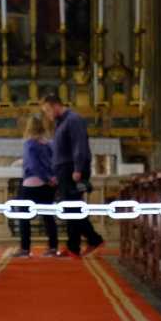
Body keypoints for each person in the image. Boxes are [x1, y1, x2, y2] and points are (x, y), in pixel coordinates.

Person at [41, 94, 104, 257]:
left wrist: (77, 168)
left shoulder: (73, 120)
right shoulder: (60, 122)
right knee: (70, 208)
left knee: (72, 208)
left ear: (56, 105)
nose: (47, 115)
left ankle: (93, 239)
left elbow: (79, 146)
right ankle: (73, 246)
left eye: (48, 110)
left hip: (72, 169)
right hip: (64, 169)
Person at [14, 113, 59, 257]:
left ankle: (25, 249)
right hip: (48, 186)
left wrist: (45, 177)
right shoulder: (49, 143)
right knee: (48, 217)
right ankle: (53, 248)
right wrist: (51, 178)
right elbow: (54, 162)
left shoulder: (29, 143)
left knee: (24, 217)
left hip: (32, 185)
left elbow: (33, 166)